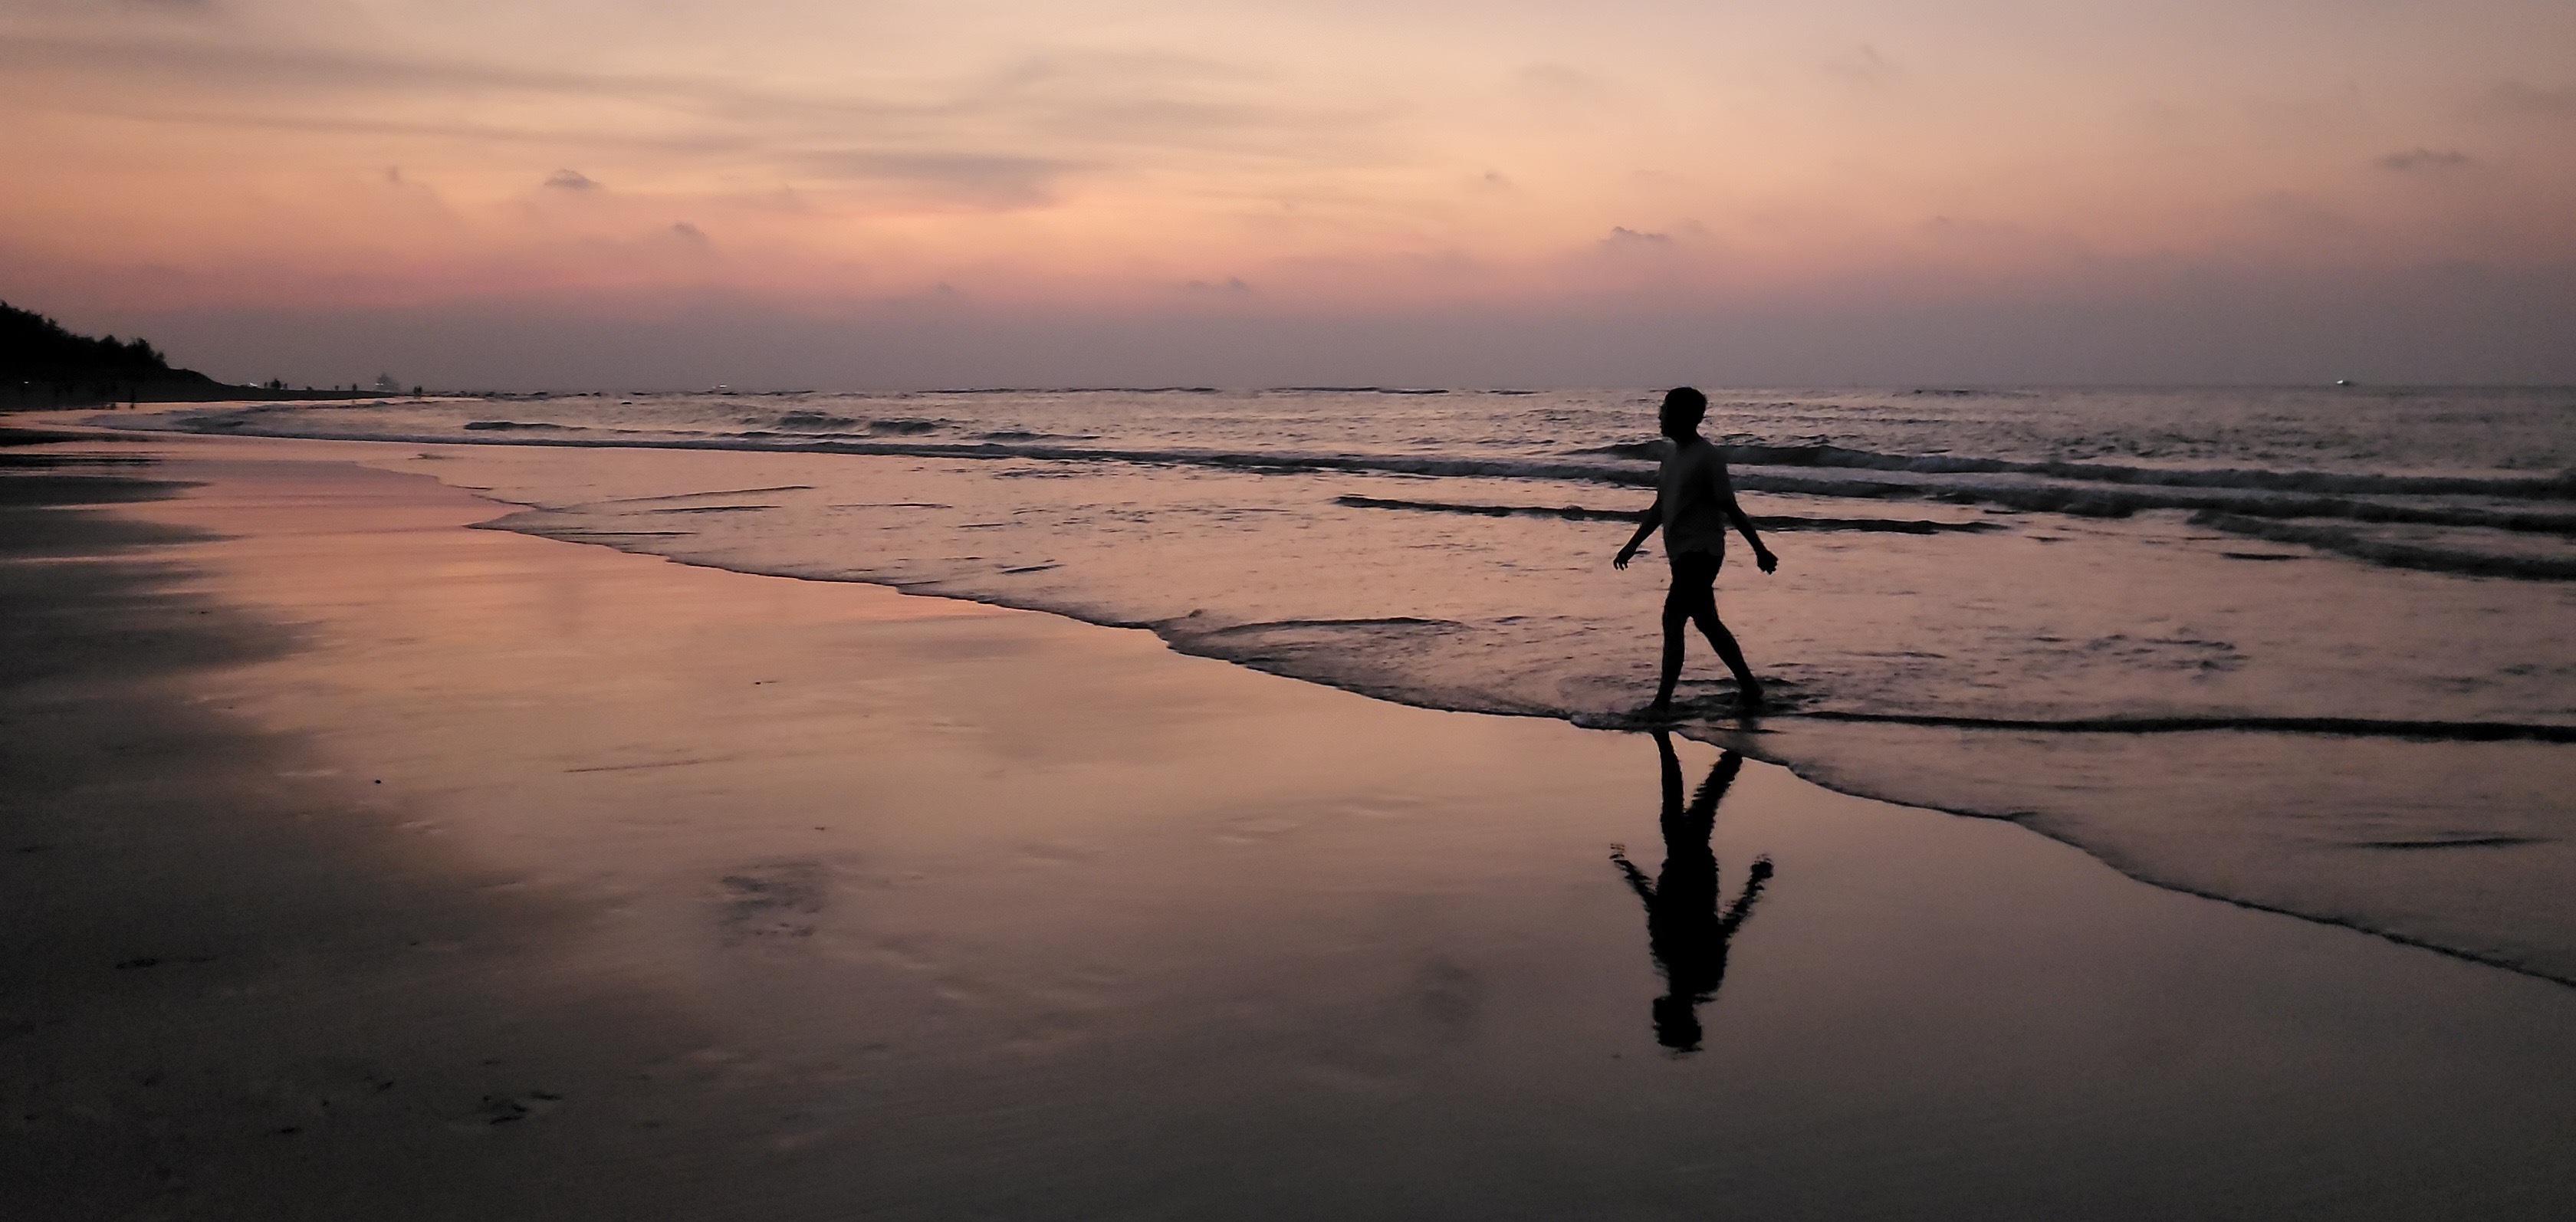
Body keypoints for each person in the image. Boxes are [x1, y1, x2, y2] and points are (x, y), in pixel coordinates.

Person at [1612, 386, 1776, 714]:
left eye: (1666, 409)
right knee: (1706, 622)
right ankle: (1750, 687)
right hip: (1679, 552)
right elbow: (1660, 507)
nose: (1660, 415)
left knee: (1673, 619)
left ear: (1685, 417)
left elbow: (1729, 507)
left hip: (1702, 552)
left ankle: (1662, 703)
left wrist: (1760, 549)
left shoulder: (1708, 457)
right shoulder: (1671, 456)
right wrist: (1632, 545)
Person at [1610, 731, 1773, 1053]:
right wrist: (1755, 882)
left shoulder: (1688, 969)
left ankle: (1726, 748)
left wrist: (1629, 870)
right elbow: (1726, 923)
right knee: (1693, 807)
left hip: (1695, 871)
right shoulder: (1686, 966)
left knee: (1700, 806)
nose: (1655, 1013)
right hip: (1690, 869)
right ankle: (1718, 745)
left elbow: (1656, 904)